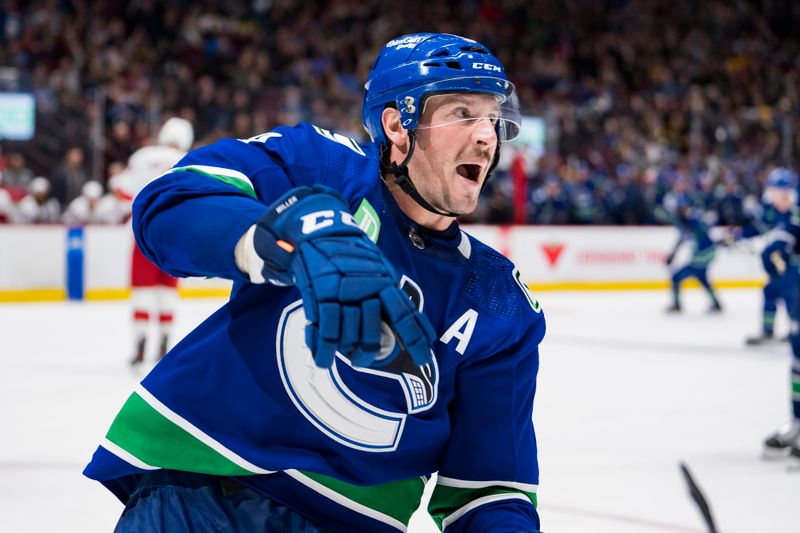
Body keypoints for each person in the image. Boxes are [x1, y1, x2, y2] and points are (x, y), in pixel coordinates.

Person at [84, 33, 545, 533]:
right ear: (398, 125)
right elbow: (170, 203)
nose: (486, 136)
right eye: (462, 113)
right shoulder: (321, 165)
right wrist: (284, 235)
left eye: (493, 118)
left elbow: (489, 491)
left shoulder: (500, 301)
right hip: (200, 496)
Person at [112, 117, 194, 366]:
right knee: (167, 291)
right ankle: (164, 344)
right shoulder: (191, 160)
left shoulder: (143, 156)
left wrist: (138, 208)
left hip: (144, 232)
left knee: (142, 291)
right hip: (174, 235)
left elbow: (120, 188)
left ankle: (140, 343)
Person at [734, 168, 800, 345]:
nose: (770, 194)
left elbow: (789, 234)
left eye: (774, 190)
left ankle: (795, 330)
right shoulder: (774, 210)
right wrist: (737, 236)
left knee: (791, 295)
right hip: (781, 265)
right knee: (771, 291)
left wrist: (782, 247)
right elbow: (760, 227)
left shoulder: (795, 211)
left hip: (794, 265)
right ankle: (768, 331)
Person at [664, 194, 723, 313]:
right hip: (705, 254)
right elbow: (683, 237)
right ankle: (716, 303)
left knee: (676, 277)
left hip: (703, 255)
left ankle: (676, 305)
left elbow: (703, 231)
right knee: (702, 277)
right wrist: (673, 254)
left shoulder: (693, 220)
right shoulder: (686, 221)